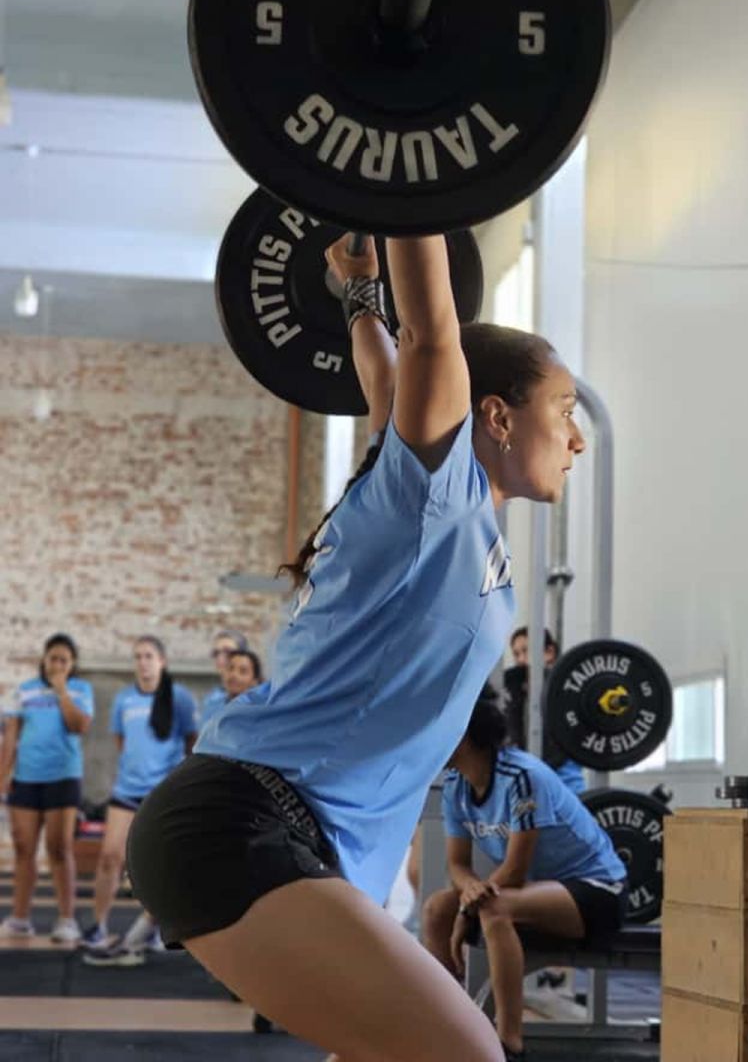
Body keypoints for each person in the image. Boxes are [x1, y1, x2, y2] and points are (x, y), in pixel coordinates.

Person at [126, 231, 585, 1062]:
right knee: (470, 1054)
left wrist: (358, 292)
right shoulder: (433, 496)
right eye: (564, 409)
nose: (577, 438)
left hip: (293, 840)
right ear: (496, 415)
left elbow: (384, 373)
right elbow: (432, 338)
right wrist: (414, 179)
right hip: (245, 823)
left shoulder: (438, 508)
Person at [422, 687, 628, 1061]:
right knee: (437, 909)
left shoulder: (521, 777)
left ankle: (509, 1044)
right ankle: (451, 1024)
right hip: (537, 889)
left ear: (466, 736)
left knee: (494, 908)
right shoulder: (455, 786)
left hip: (598, 891)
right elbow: (458, 865)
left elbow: (514, 870)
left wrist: (469, 909)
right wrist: (466, 892)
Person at [82, 636, 197, 953]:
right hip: (127, 791)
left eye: (149, 656)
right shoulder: (124, 699)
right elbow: (121, 742)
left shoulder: (181, 699)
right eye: (138, 657)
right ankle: (99, 926)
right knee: (109, 857)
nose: (143, 662)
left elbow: (192, 741)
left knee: (161, 863)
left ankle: (152, 926)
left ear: (162, 662)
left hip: (163, 792)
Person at [0, 633, 93, 943]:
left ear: (72, 664)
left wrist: (61, 690)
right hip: (26, 778)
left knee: (59, 847)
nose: (56, 664)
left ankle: (67, 919)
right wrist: (3, 776)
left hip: (63, 776)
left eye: (63, 660)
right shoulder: (24, 691)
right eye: (52, 658)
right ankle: (20, 917)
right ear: (44, 659)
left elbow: (79, 726)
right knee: (24, 847)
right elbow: (11, 735)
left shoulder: (80, 690)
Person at [504, 627, 585, 796]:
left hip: (563, 769)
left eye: (526, 651)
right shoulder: (516, 692)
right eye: (516, 654)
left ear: (549, 652)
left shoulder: (568, 687)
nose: (520, 659)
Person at [198, 629, 249, 729]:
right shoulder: (211, 700)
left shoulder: (256, 698)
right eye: (216, 653)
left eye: (228, 652)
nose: (220, 658)